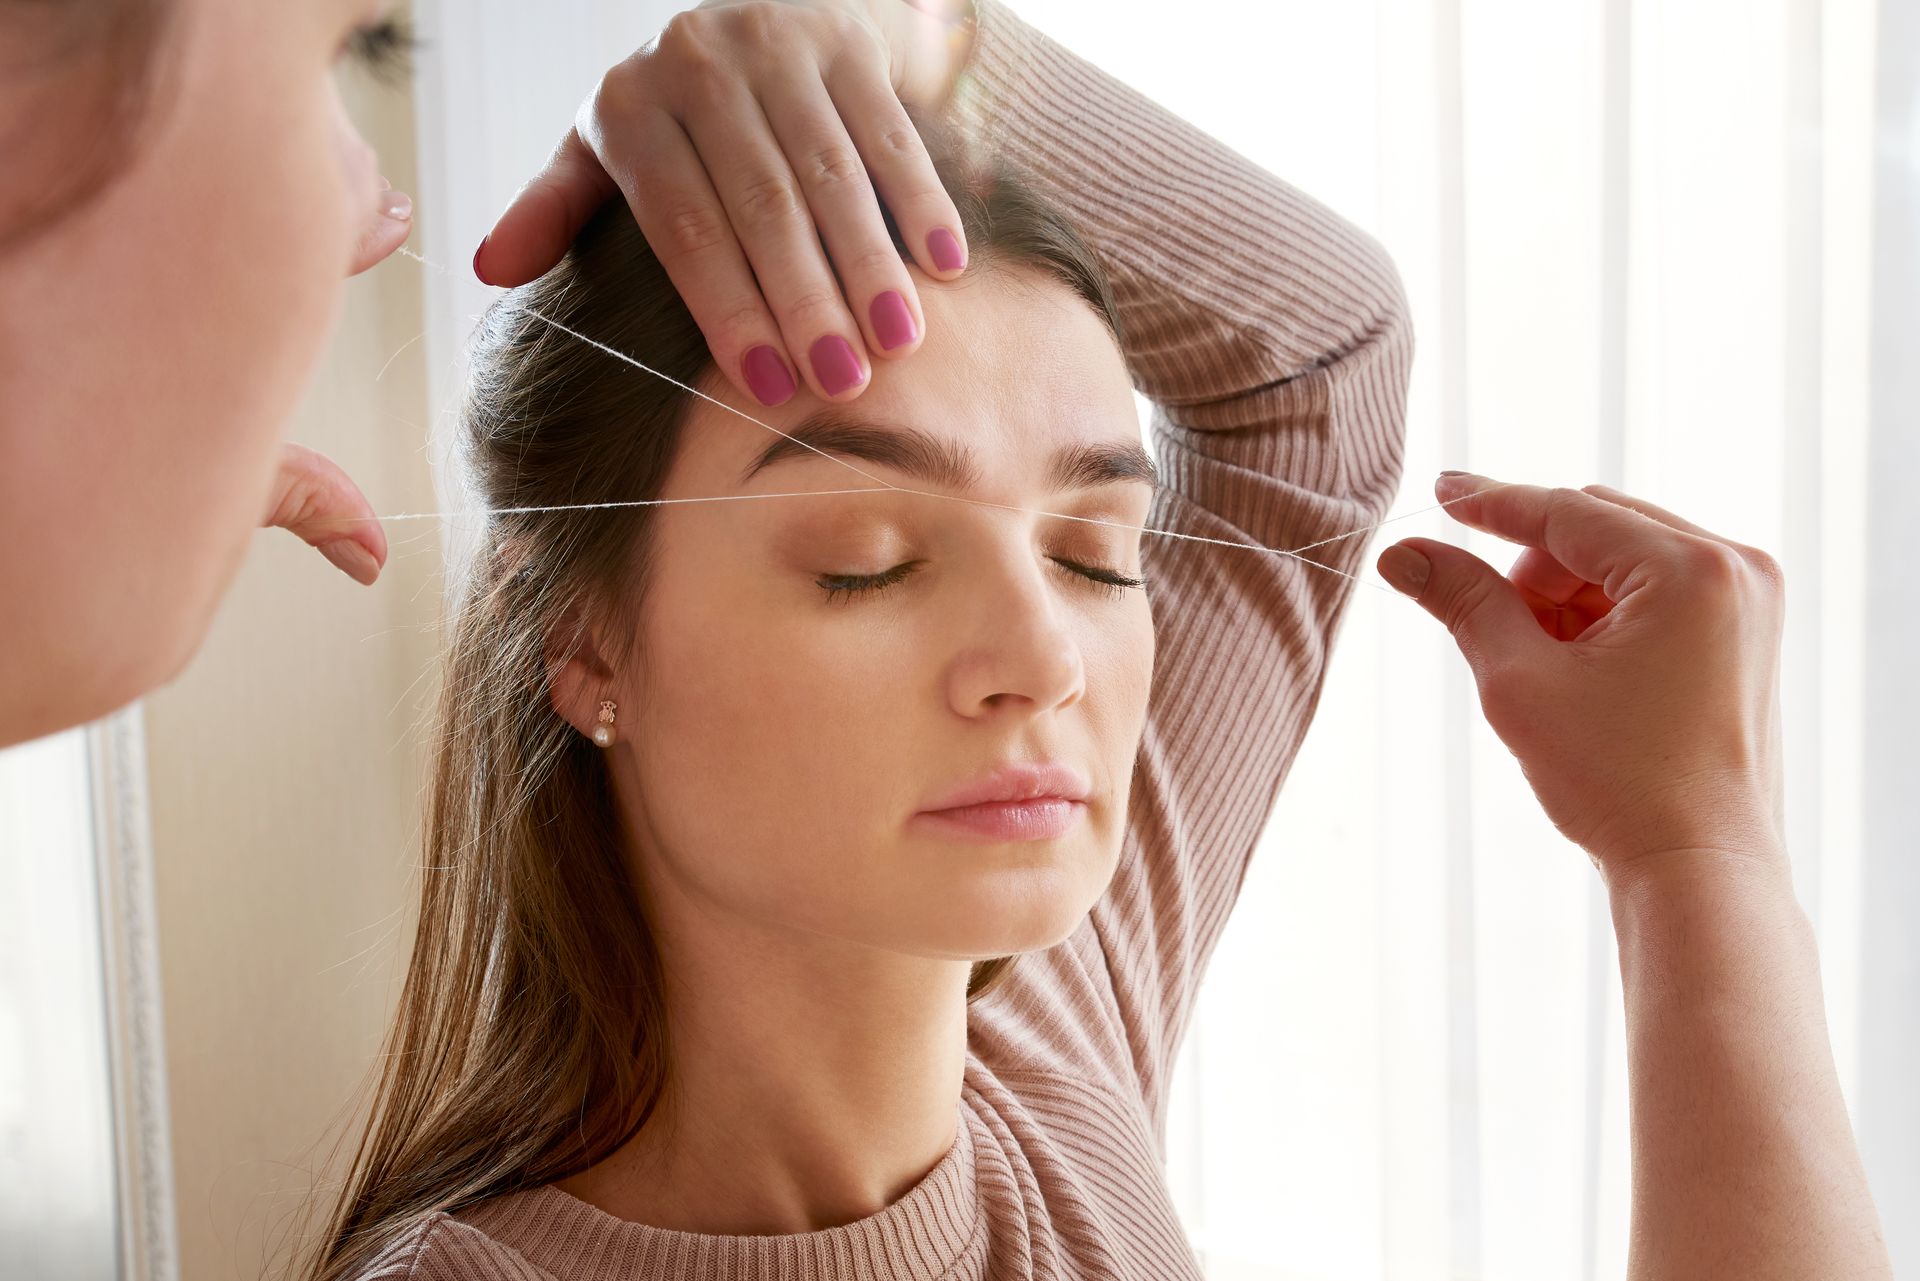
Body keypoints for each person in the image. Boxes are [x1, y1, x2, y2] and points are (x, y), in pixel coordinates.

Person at [0, 1, 1890, 1277]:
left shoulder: (1046, 1061)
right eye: (867, 559)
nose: (1044, 661)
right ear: (588, 648)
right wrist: (1693, 853)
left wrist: (920, 36)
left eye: (1096, 549)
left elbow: (1320, 368)